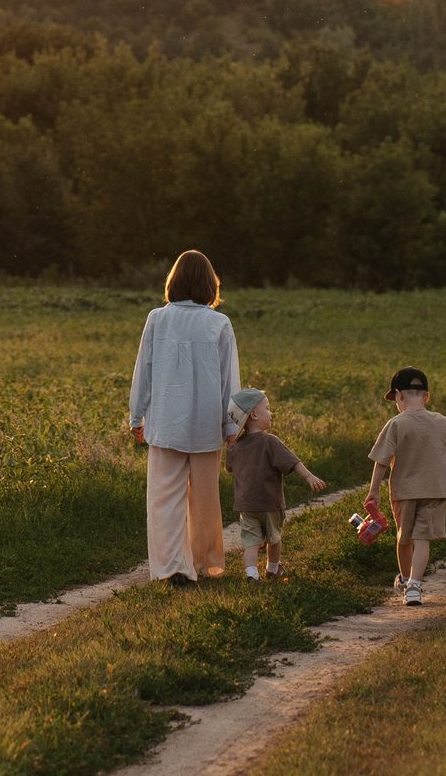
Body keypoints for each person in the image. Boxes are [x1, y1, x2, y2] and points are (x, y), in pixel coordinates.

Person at [128, 249, 242, 584]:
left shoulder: (157, 318)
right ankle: (205, 562)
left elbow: (143, 371)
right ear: (210, 284)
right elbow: (228, 379)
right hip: (206, 423)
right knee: (206, 498)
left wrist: (137, 416)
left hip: (165, 421)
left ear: (173, 282)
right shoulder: (219, 322)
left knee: (164, 498)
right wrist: (232, 426)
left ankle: (173, 568)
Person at [365, 367, 446, 605]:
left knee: (404, 538)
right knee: (423, 539)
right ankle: (414, 586)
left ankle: (406, 578)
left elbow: (381, 461)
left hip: (403, 492)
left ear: (399, 395)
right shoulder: (439, 422)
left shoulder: (396, 424)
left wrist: (373, 491)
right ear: (427, 396)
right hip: (435, 490)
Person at [226, 386, 326, 581]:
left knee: (250, 541)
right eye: (267, 408)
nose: (271, 413)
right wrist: (309, 477)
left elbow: (230, 466)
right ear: (254, 414)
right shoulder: (269, 441)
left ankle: (251, 574)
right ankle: (272, 569)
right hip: (270, 502)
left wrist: (231, 443)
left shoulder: (237, 447)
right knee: (274, 537)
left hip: (246, 504)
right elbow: (292, 462)